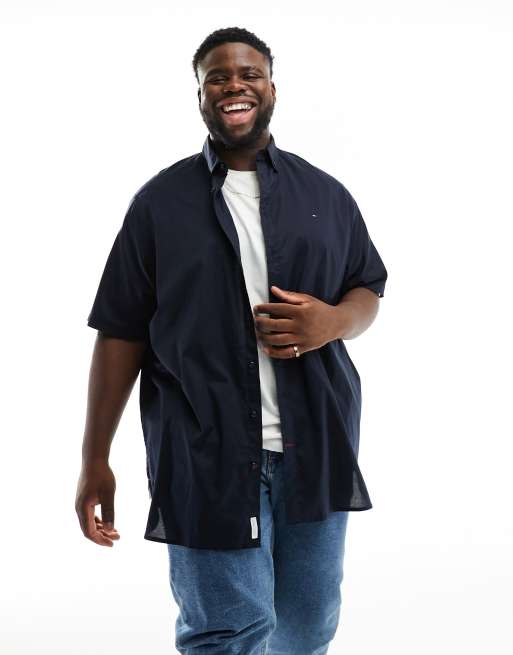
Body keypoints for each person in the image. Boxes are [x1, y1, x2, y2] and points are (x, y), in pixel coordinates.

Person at [75, 25, 388, 655]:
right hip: (204, 452)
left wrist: (331, 322)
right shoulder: (160, 204)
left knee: (306, 628)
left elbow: (367, 288)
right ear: (200, 95)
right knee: (228, 633)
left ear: (272, 88)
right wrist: (94, 457)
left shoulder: (325, 195)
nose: (233, 86)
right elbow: (120, 330)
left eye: (249, 74)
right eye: (216, 77)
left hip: (316, 447)